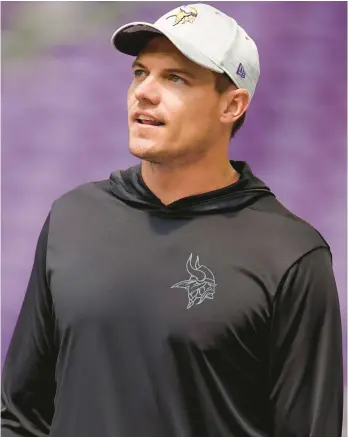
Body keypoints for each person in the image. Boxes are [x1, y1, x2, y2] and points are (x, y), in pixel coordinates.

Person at [1, 3, 343, 437]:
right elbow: (21, 414)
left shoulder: (291, 255)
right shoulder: (72, 218)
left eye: (175, 78)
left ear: (232, 105)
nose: (144, 91)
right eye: (140, 72)